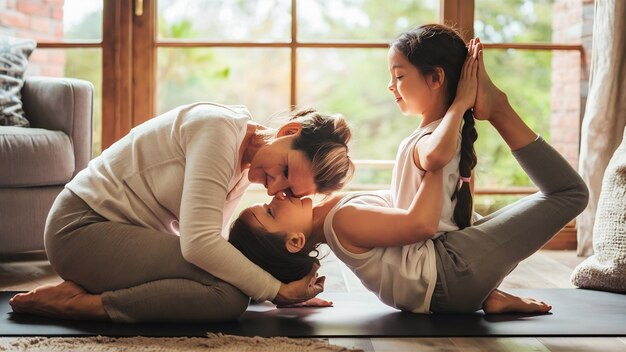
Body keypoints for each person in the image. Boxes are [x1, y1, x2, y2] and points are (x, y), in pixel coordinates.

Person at [228, 40, 589, 314]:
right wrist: (453, 117)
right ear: (294, 241)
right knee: (571, 193)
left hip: (450, 270)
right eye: (271, 212)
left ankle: (486, 295)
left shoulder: (336, 214)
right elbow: (420, 224)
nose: (274, 195)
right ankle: (498, 108)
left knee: (549, 200)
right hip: (451, 272)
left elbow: (415, 211)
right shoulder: (343, 222)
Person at [9, 103, 354, 322]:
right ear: (289, 132)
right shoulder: (219, 132)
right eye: (287, 171)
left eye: (290, 191)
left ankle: (86, 292)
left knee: (229, 289)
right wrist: (277, 290)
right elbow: (199, 245)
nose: (274, 188)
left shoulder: (240, 162)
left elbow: (212, 249)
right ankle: (78, 305)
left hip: (112, 235)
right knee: (230, 298)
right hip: (81, 228)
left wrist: (275, 287)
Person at [387, 23, 479, 233]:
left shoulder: (439, 137)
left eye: (399, 76)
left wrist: (460, 103)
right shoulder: (438, 134)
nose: (390, 85)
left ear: (436, 78)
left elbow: (434, 157)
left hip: (426, 253)